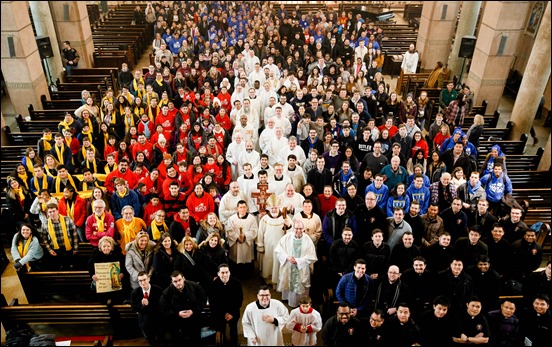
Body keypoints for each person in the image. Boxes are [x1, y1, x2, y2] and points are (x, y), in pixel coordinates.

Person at [274, 220, 318, 308]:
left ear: (304, 229)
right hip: (289, 265)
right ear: (293, 228)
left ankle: (302, 302)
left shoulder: (307, 239)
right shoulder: (287, 237)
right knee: (289, 282)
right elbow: (279, 250)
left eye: (301, 228)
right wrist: (287, 257)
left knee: (301, 284)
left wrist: (299, 261)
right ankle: (287, 299)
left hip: (302, 267)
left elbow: (311, 255)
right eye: (296, 228)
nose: (299, 230)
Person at [160, 270, 208, 346]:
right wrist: (177, 314)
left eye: (179, 280)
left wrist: (193, 311)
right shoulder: (166, 293)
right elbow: (164, 310)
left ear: (183, 278)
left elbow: (203, 299)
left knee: (196, 341)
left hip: (194, 319)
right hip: (177, 322)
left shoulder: (195, 286)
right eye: (175, 281)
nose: (178, 283)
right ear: (172, 282)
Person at [257, 194, 293, 284]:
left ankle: (279, 281)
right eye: (272, 208)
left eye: (276, 208)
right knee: (268, 262)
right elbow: (260, 233)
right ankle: (268, 279)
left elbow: (291, 232)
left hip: (281, 246)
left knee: (279, 263)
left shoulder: (285, 217)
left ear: (279, 207)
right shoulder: (265, 219)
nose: (274, 210)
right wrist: (260, 245)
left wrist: (288, 225)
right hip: (268, 246)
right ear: (269, 208)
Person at [208, 264, 244, 347]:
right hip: (219, 314)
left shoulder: (237, 283)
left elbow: (239, 300)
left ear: (230, 273)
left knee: (234, 331)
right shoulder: (213, 285)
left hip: (233, 312)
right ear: (218, 273)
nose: (225, 275)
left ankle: (234, 342)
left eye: (226, 272)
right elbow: (213, 303)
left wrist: (231, 313)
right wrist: (223, 314)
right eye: (222, 272)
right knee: (221, 331)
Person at [39, 203, 79, 270]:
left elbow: (74, 235)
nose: (52, 213)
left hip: (68, 248)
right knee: (59, 267)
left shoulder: (67, 220)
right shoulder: (45, 223)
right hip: (55, 249)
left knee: (69, 267)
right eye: (50, 212)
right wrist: (49, 250)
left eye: (54, 211)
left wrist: (75, 248)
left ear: (57, 211)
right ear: (47, 213)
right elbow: (44, 239)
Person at [88, 236, 126, 303]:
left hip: (115, 280)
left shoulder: (118, 255)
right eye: (104, 246)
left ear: (111, 247)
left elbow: (123, 266)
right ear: (100, 247)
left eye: (108, 246)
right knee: (95, 285)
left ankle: (113, 300)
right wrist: (93, 275)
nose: (106, 248)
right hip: (101, 281)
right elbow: (90, 267)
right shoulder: (95, 255)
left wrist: (122, 273)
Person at [130, 271, 164, 344]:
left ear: (149, 279)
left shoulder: (158, 290)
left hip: (158, 320)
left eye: (144, 280)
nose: (143, 283)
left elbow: (161, 306)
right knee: (151, 341)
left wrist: (149, 304)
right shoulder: (135, 293)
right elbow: (134, 308)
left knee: (161, 340)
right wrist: (142, 305)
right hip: (145, 322)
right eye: (140, 281)